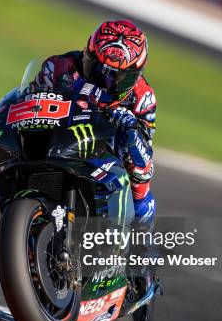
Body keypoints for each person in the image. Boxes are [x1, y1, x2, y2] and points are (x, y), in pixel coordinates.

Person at [34, 20, 157, 230]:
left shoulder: (142, 97)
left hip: (102, 150)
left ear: (136, 74)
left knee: (140, 178)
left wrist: (131, 130)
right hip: (57, 137)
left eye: (120, 77)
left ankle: (141, 240)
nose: (108, 82)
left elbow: (144, 166)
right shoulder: (58, 67)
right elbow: (27, 100)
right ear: (87, 55)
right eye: (100, 70)